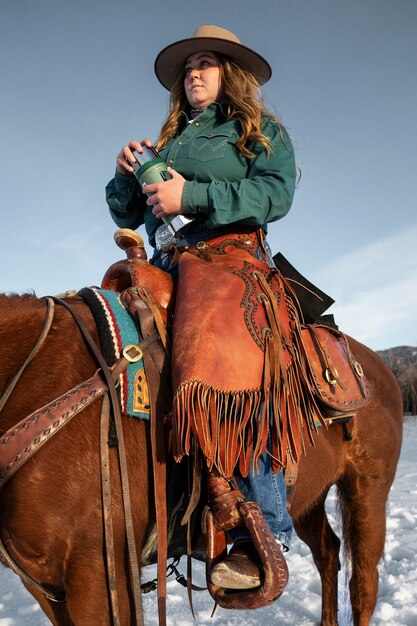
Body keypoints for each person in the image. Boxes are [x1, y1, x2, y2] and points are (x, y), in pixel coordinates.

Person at [106, 24, 297, 591]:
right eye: (189, 66)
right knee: (109, 340)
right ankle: (143, 503)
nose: (194, 72)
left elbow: (276, 193)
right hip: (167, 261)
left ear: (229, 74)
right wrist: (124, 179)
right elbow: (125, 214)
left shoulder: (256, 130)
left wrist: (191, 195)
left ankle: (260, 527)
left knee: (228, 364)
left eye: (207, 63)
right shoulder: (169, 143)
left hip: (229, 259)